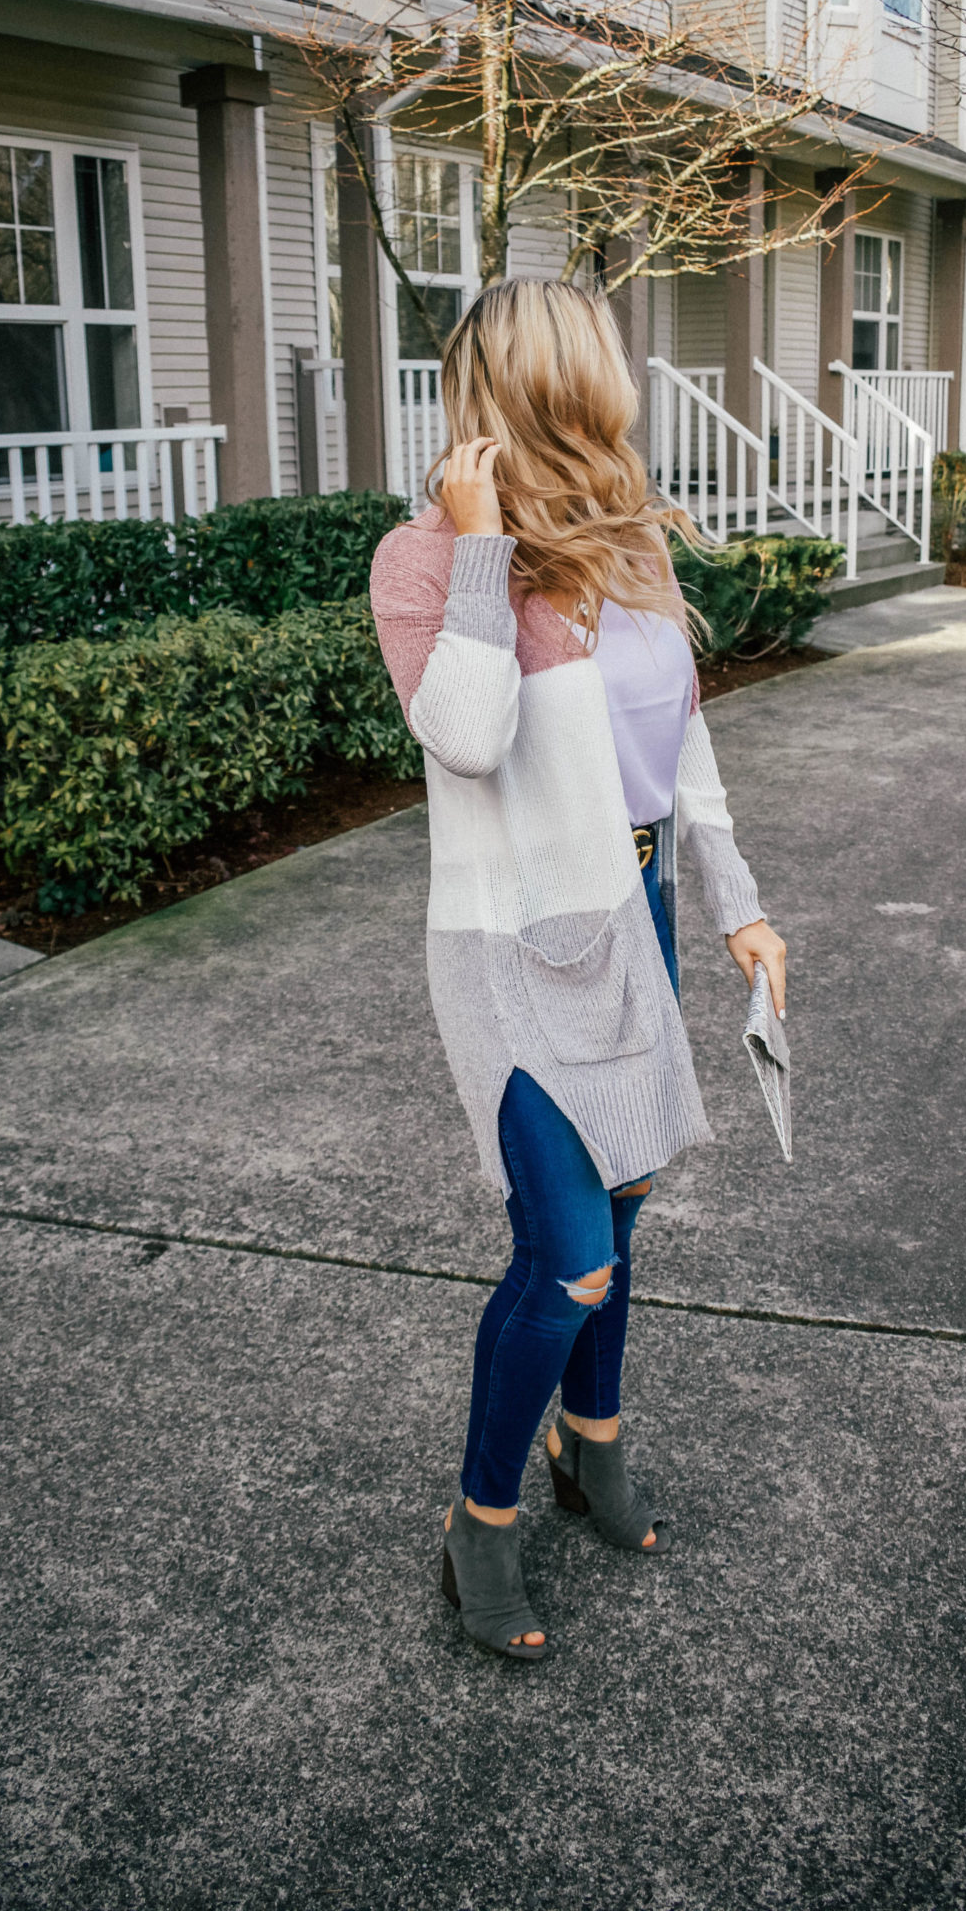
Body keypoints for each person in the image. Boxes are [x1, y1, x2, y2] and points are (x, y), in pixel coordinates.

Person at [370, 278, 786, 1661]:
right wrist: (484, 551)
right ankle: (480, 1521)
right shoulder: (424, 560)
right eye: (596, 362)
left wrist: (738, 904)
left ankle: (587, 1442)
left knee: (627, 1208)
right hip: (510, 943)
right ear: (546, 381)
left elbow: (684, 746)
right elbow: (469, 739)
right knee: (570, 1263)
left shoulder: (629, 543)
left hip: (637, 906)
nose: (618, 379)